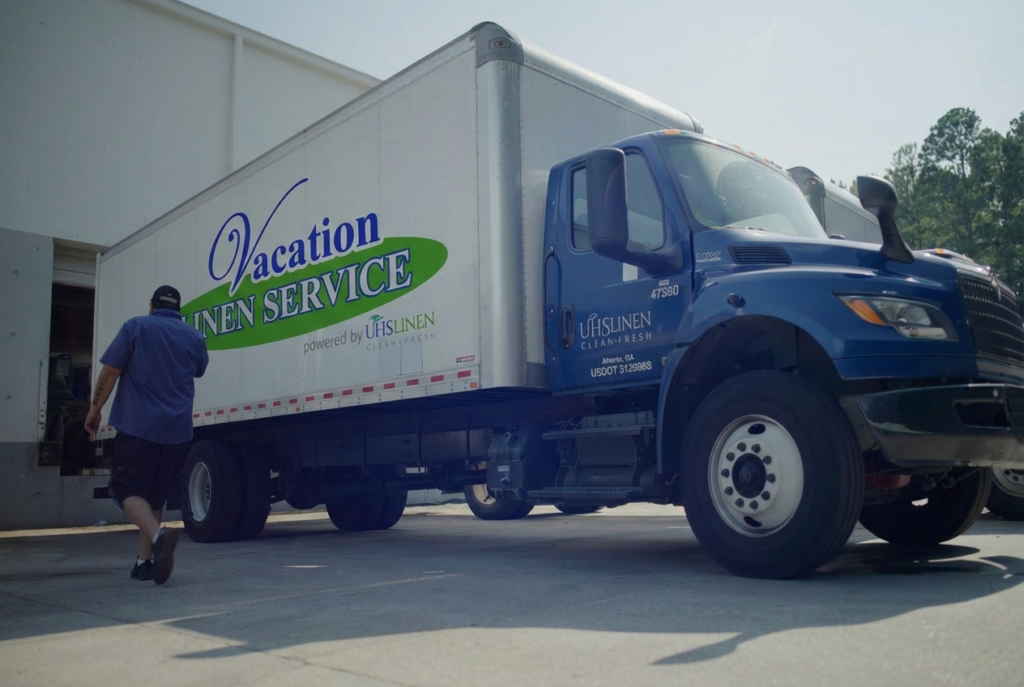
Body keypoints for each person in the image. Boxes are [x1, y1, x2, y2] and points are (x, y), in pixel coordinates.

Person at [85, 285, 208, 585]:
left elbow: (110, 372)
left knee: (125, 490)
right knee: (153, 496)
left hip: (139, 427)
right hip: (177, 432)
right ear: (178, 309)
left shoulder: (136, 326)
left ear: (151, 305)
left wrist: (94, 409)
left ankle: (158, 537)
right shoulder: (194, 336)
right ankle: (145, 562)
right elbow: (199, 369)